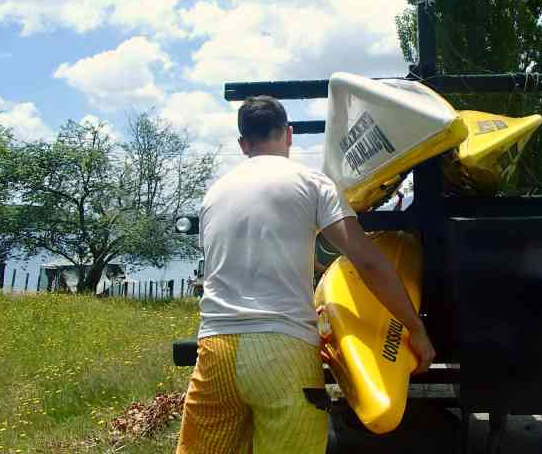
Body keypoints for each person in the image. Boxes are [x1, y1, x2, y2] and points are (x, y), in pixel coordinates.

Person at [175, 95, 435, 454]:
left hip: (216, 348)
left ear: (243, 143)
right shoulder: (312, 183)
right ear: (289, 134)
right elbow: (368, 262)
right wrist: (415, 328)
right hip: (283, 351)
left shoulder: (214, 194)